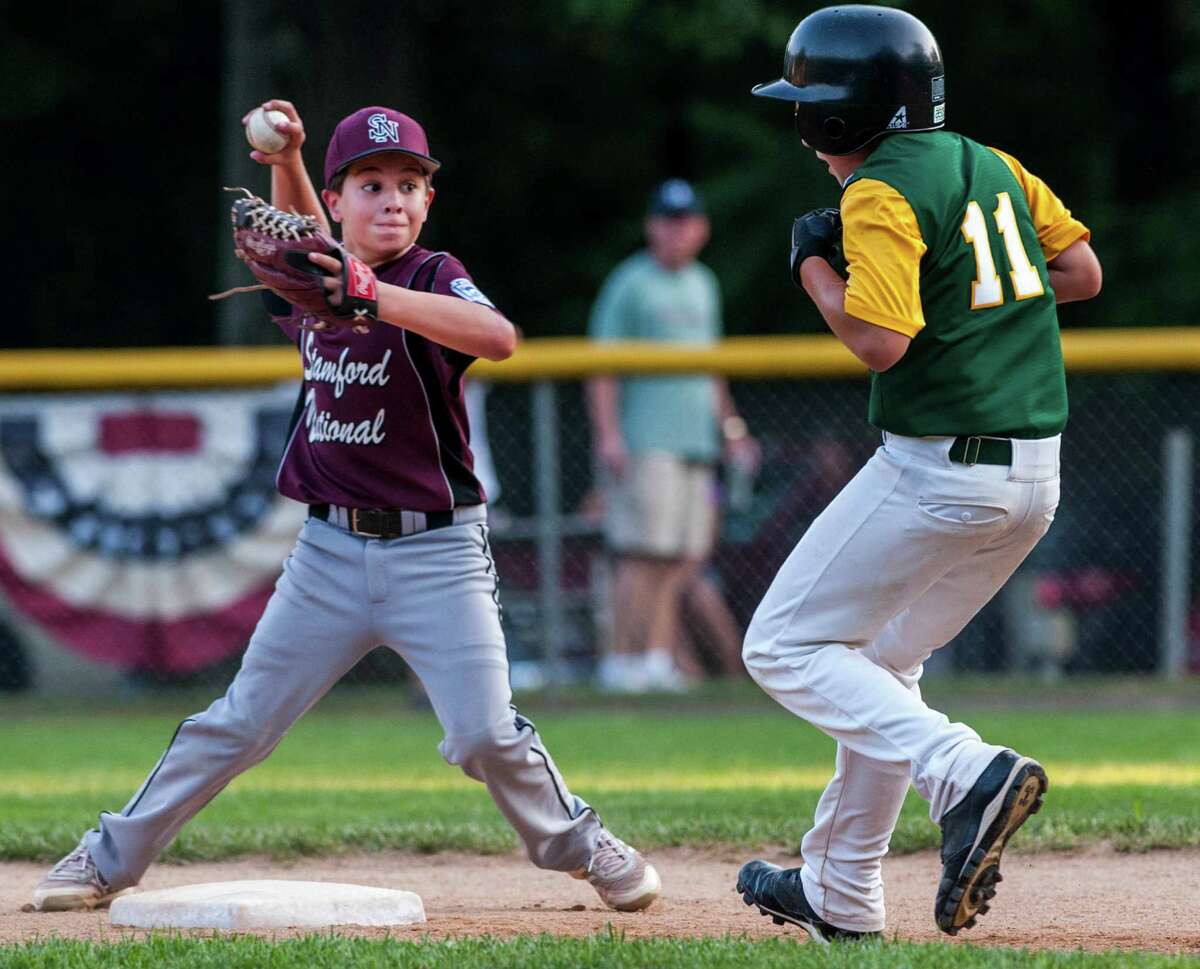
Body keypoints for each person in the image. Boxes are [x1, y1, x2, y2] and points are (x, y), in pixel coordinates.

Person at [32, 101, 660, 915]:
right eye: (370, 184)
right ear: (337, 201)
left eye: (409, 184)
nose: (392, 199)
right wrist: (285, 161)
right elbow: (306, 254)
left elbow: (498, 336)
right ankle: (108, 856)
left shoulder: (432, 277)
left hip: (438, 554)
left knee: (483, 734)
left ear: (429, 202)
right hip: (326, 556)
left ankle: (579, 841)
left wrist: (373, 293)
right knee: (239, 723)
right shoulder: (310, 279)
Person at [734, 6, 1102, 943]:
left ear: (844, 118)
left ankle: (964, 773)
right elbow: (1081, 270)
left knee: (780, 646)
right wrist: (958, 292)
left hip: (941, 467)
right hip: (1034, 479)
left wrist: (816, 267)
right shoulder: (994, 165)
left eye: (809, 105)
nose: (802, 124)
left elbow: (880, 341)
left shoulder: (879, 192)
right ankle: (840, 893)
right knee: (883, 662)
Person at [586, 179, 758, 692]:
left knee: (683, 557)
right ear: (651, 226)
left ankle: (657, 659)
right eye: (667, 220)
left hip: (697, 444)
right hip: (647, 441)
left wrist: (732, 430)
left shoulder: (704, 283)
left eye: (685, 221)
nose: (676, 231)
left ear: (701, 229)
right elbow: (601, 366)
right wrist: (610, 435)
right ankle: (620, 661)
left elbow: (712, 370)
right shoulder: (630, 282)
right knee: (642, 552)